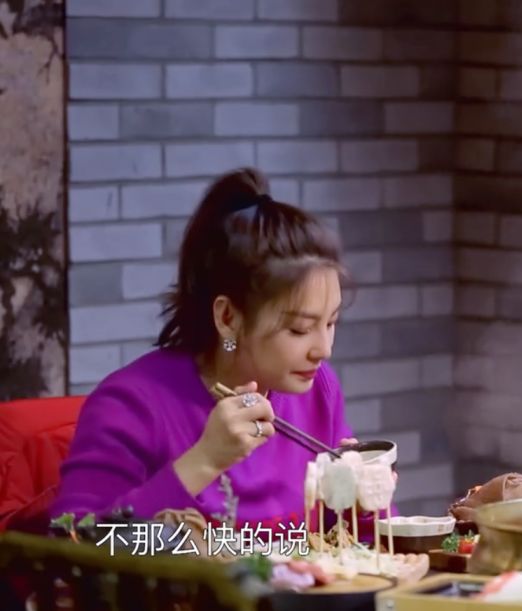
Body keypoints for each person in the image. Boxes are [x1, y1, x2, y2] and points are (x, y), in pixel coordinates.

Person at [52, 168, 375, 534]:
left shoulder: (318, 390)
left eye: (331, 322)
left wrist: (361, 501)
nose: (323, 349)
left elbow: (355, 544)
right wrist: (204, 461)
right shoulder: (131, 404)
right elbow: (70, 543)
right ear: (228, 317)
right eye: (299, 329)